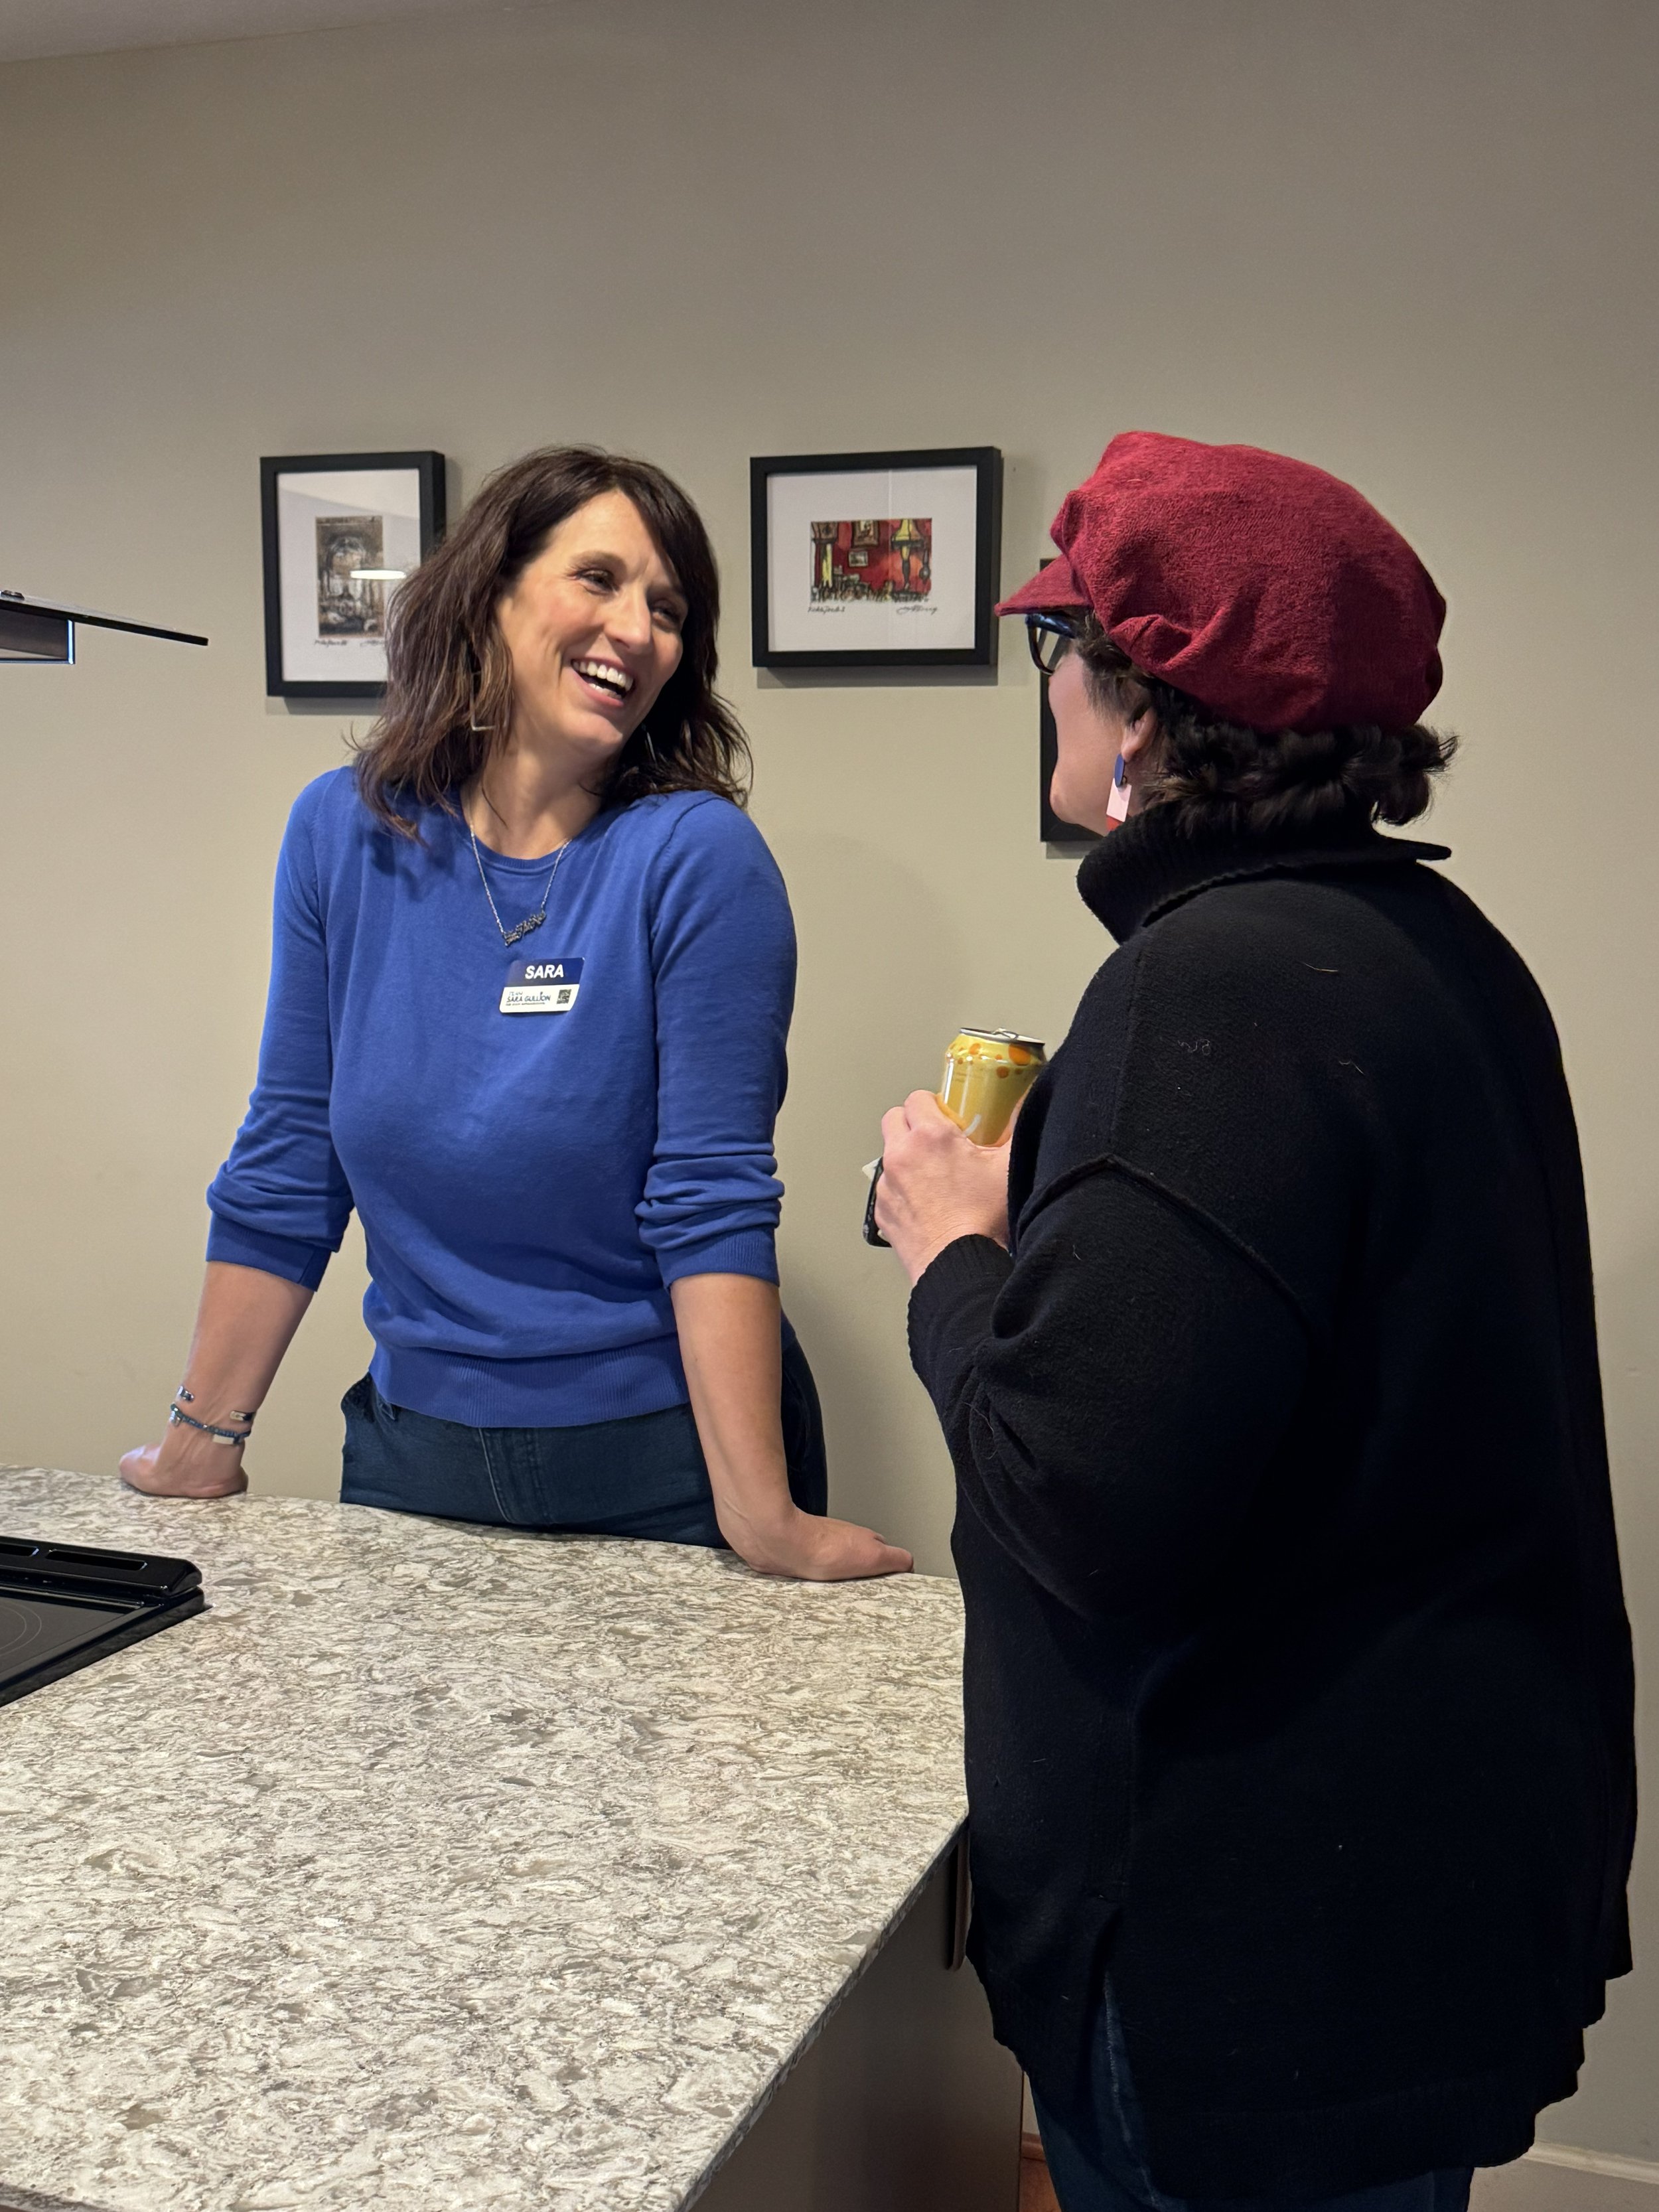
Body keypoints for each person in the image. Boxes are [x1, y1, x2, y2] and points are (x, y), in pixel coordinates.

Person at [874, 433, 1634, 2211]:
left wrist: (946, 1252)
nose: (1045, 688)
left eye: (1057, 647)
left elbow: (1079, 1498)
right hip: (1400, 1903)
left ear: (1137, 711)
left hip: (1245, 1947)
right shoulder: (1429, 947)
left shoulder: (1205, 989)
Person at [123, 445, 910, 1585]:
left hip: (657, 1466)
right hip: (412, 1464)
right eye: (598, 578)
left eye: (669, 608)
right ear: (489, 594)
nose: (637, 628)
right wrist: (205, 1439)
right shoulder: (343, 836)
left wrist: (761, 1518)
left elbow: (711, 1197)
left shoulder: (695, 859)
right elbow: (292, 1154)